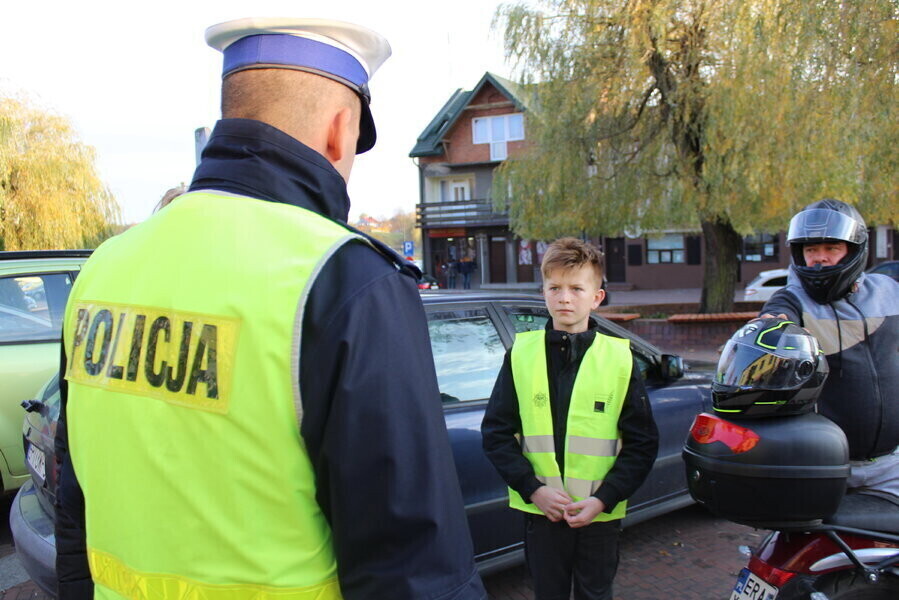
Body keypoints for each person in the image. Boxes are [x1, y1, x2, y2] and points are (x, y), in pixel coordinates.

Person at [54, 17, 486, 600]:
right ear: (341, 128)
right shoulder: (345, 278)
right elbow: (412, 562)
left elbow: (73, 502)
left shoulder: (105, 267)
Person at [481, 237, 658, 600]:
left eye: (577, 288)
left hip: (599, 516)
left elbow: (642, 443)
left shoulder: (619, 359)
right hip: (542, 513)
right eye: (555, 287)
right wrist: (534, 490)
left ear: (596, 297)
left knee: (596, 593)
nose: (564, 298)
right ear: (543, 292)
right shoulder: (521, 355)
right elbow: (496, 434)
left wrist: (603, 499)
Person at [759, 198, 898, 501]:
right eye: (811, 250)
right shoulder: (791, 301)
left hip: (893, 464)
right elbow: (772, 324)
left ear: (854, 249)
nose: (819, 258)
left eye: (831, 248)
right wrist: (769, 329)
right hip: (823, 464)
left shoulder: (889, 292)